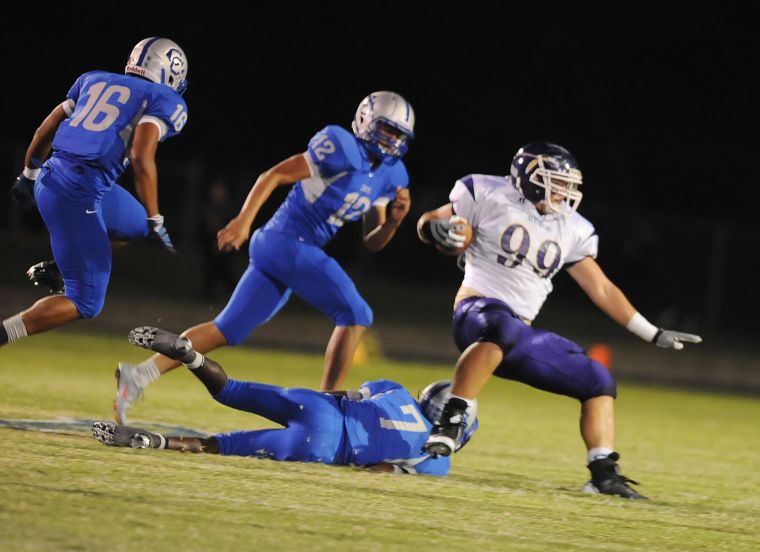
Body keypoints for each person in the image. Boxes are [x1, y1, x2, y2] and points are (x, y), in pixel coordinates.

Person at [416, 142, 702, 499]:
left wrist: (652, 332)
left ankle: (603, 475)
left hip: (518, 334)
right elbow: (433, 220)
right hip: (476, 314)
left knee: (597, 378)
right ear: (529, 176)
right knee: (503, 326)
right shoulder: (487, 192)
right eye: (556, 182)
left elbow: (601, 288)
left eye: (568, 184)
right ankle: (452, 419)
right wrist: (431, 230)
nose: (564, 192)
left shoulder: (572, 227)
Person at [114, 91, 415, 424]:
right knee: (357, 314)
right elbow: (272, 176)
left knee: (226, 329)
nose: (392, 141)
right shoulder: (340, 145)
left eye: (399, 135)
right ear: (365, 121)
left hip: (292, 250)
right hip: (285, 241)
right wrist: (241, 221)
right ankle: (328, 408)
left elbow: (373, 242)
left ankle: (139, 374)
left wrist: (395, 221)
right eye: (387, 130)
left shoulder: (393, 175)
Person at [2, 37, 189, 347]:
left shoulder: (93, 79)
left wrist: (28, 172)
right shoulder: (165, 100)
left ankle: (58, 267)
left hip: (60, 179)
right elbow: (143, 157)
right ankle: (2, 333)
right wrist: (157, 216)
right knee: (86, 302)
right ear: (169, 72)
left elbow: (48, 125)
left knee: (137, 225)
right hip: (76, 193)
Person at [94, 326, 477, 475]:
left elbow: (342, 394)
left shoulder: (395, 390)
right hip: (327, 446)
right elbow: (380, 472)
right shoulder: (435, 461)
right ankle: (155, 442)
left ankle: (188, 354)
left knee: (231, 389)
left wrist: (308, 404)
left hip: (319, 407)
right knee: (219, 446)